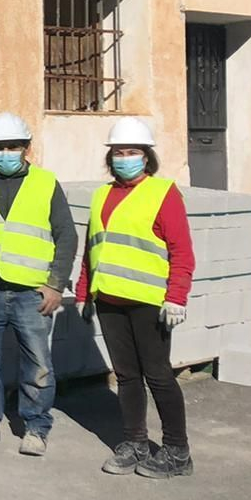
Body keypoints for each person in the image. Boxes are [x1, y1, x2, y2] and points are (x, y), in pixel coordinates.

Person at [0, 112, 78, 457]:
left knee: (37, 364)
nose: (4, 152)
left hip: (31, 292)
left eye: (12, 146)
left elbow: (66, 235)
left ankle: (36, 427)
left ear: (26, 148)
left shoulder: (46, 183)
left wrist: (56, 285)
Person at [76, 117, 197, 479]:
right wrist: (85, 292)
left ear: (146, 157)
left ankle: (177, 451)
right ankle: (135, 442)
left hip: (150, 303)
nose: (123, 158)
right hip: (110, 301)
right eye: (117, 153)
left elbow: (182, 251)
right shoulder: (101, 195)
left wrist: (177, 296)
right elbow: (92, 248)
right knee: (127, 377)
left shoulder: (163, 193)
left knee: (159, 376)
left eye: (131, 152)